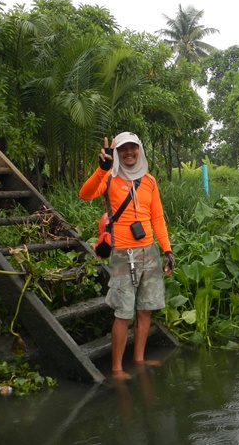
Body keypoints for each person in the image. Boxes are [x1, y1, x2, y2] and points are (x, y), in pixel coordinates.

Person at [79, 131, 175, 379]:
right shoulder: (110, 178)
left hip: (150, 252)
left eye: (133, 148)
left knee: (145, 310)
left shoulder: (150, 181)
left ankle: (139, 359)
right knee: (123, 312)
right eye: (123, 149)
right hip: (123, 254)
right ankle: (117, 369)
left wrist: (167, 250)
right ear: (118, 153)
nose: (129, 152)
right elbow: (85, 194)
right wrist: (102, 169)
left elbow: (157, 218)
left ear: (139, 150)